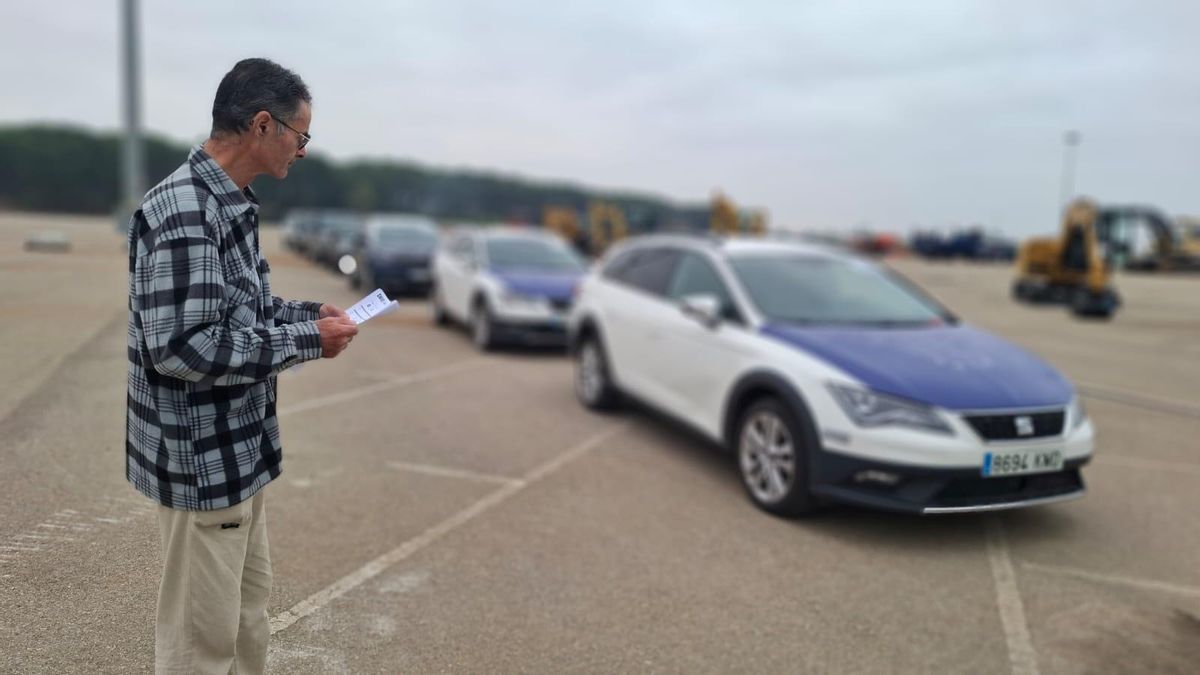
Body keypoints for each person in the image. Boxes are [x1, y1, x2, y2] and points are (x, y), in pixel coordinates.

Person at [125, 57, 358, 674]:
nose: (302, 150)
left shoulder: (229, 202)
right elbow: (182, 346)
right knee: (202, 643)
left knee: (245, 622)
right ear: (263, 125)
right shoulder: (185, 212)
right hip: (204, 462)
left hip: (237, 458)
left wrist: (310, 316)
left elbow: (242, 312)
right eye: (300, 135)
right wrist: (309, 343)